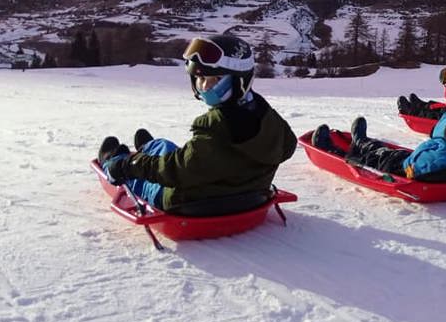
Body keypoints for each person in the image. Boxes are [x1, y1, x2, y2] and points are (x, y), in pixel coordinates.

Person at [98, 34, 297, 214]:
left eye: (215, 79)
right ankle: (151, 149)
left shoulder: (215, 127)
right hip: (248, 195)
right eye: (200, 78)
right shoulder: (267, 117)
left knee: (149, 170)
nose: (204, 86)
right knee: (165, 147)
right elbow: (288, 146)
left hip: (190, 202)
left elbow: (177, 171)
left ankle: (115, 161)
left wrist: (128, 166)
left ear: (240, 81)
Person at [313, 57, 446, 180]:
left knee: (377, 159)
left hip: (419, 171)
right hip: (423, 162)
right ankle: (362, 142)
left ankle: (335, 152)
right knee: (388, 153)